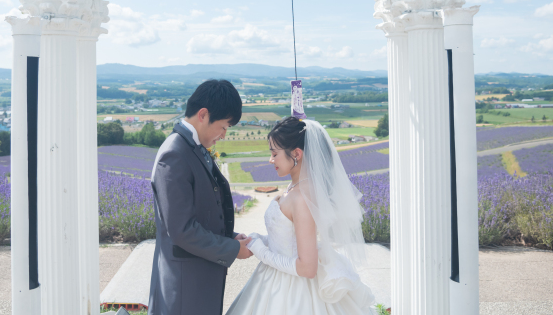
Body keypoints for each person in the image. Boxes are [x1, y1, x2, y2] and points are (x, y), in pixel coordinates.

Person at [226, 116, 384, 314]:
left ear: (296, 154)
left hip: (292, 290)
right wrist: (259, 240)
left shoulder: (302, 198)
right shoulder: (295, 186)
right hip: (276, 276)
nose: (270, 160)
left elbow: (307, 268)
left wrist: (261, 251)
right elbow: (288, 238)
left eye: (274, 154)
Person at [148, 79, 253, 315]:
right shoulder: (174, 154)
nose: (224, 135)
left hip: (197, 281)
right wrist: (231, 249)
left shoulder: (191, 147)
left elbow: (202, 212)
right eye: (224, 127)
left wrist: (230, 237)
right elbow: (181, 229)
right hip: (184, 287)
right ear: (203, 115)